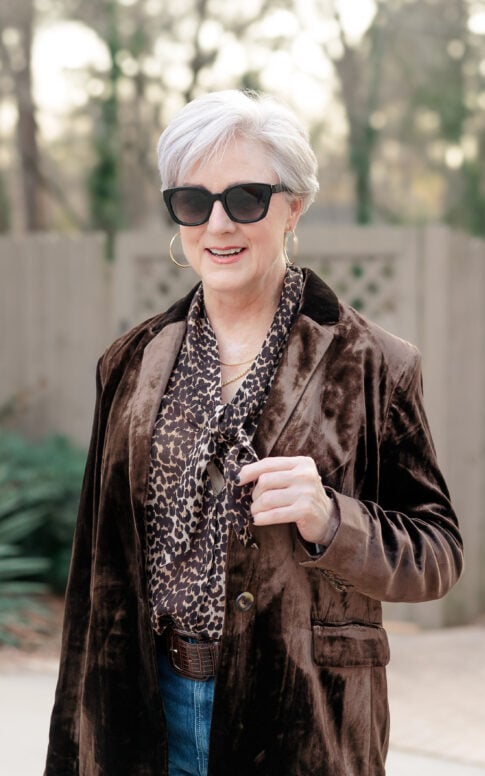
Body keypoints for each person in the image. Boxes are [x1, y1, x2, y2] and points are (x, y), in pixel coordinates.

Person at [45, 89, 463, 776]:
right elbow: (94, 576)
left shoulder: (374, 362)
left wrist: (333, 518)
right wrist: (72, 748)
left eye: (246, 198)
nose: (218, 224)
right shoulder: (128, 362)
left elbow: (439, 552)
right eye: (192, 201)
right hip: (139, 715)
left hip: (301, 720)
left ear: (292, 205)